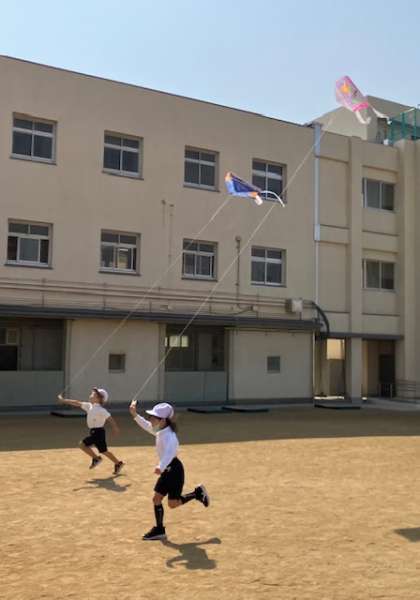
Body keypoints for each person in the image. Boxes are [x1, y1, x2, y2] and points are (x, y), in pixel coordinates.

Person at [129, 400, 209, 540]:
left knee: (173, 504)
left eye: (153, 417)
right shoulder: (160, 430)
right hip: (167, 470)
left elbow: (169, 454)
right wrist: (134, 414)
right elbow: (146, 426)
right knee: (156, 499)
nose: (150, 419)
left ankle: (197, 494)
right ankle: (159, 530)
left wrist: (160, 466)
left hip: (174, 471)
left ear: (163, 420)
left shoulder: (170, 436)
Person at [58, 387, 124, 475]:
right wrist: (64, 400)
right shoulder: (89, 406)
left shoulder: (101, 410)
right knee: (104, 451)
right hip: (97, 432)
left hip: (98, 432)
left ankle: (96, 458)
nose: (91, 395)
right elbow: (77, 403)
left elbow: (110, 418)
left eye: (93, 395)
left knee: (82, 445)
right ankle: (118, 463)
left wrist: (115, 428)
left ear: (99, 399)